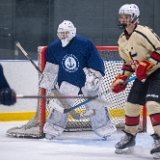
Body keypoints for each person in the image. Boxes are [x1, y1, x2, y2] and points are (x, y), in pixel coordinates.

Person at [39, 20, 116, 140]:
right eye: (61, 33)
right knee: (61, 105)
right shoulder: (54, 47)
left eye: (65, 33)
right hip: (68, 81)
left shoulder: (84, 43)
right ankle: (53, 129)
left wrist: (94, 76)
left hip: (87, 81)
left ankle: (104, 128)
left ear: (72, 32)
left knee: (97, 104)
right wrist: (48, 80)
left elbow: (95, 60)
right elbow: (52, 66)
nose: (63, 35)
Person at [111, 3, 160, 159]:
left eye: (126, 17)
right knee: (131, 106)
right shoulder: (121, 40)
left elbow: (159, 50)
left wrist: (147, 64)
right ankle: (130, 138)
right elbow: (128, 64)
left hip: (157, 73)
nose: (123, 20)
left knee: (152, 105)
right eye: (122, 17)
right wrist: (122, 78)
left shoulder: (143, 33)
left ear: (134, 18)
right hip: (143, 76)